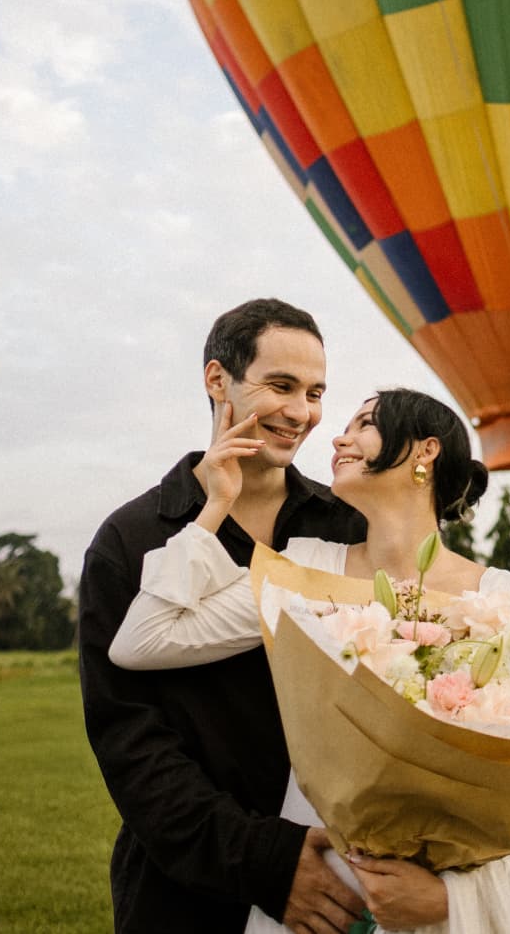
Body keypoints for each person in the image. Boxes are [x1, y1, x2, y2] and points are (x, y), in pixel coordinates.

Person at [109, 387, 510, 934]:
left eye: (365, 423)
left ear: (425, 450)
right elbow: (141, 640)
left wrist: (451, 898)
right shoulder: (307, 567)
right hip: (322, 883)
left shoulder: (500, 598)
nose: (339, 437)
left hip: (445, 902)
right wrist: (215, 505)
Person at [78, 298, 368, 934]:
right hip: (182, 896)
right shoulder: (130, 540)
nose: (302, 412)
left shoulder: (347, 529)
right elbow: (131, 744)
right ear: (218, 380)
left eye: (316, 393)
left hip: (340, 875)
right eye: (281, 386)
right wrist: (266, 862)